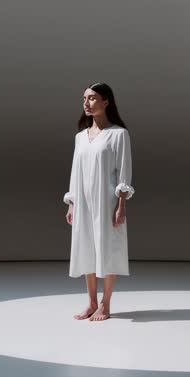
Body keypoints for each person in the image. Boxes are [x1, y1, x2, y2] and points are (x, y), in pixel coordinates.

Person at [63, 82, 134, 321]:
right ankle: (92, 302)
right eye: (84, 98)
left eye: (92, 98)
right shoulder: (80, 137)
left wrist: (121, 204)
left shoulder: (118, 135)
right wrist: (71, 202)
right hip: (83, 201)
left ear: (106, 102)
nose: (86, 102)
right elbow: (75, 171)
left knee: (108, 248)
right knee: (86, 247)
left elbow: (123, 173)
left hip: (107, 201)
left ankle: (106, 303)